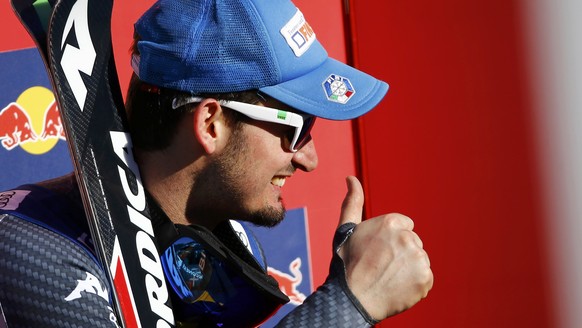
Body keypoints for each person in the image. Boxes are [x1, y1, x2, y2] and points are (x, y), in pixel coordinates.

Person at [0, 0, 433, 326]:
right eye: (295, 127)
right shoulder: (35, 254)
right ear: (211, 123)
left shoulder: (228, 249)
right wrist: (350, 305)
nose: (310, 158)